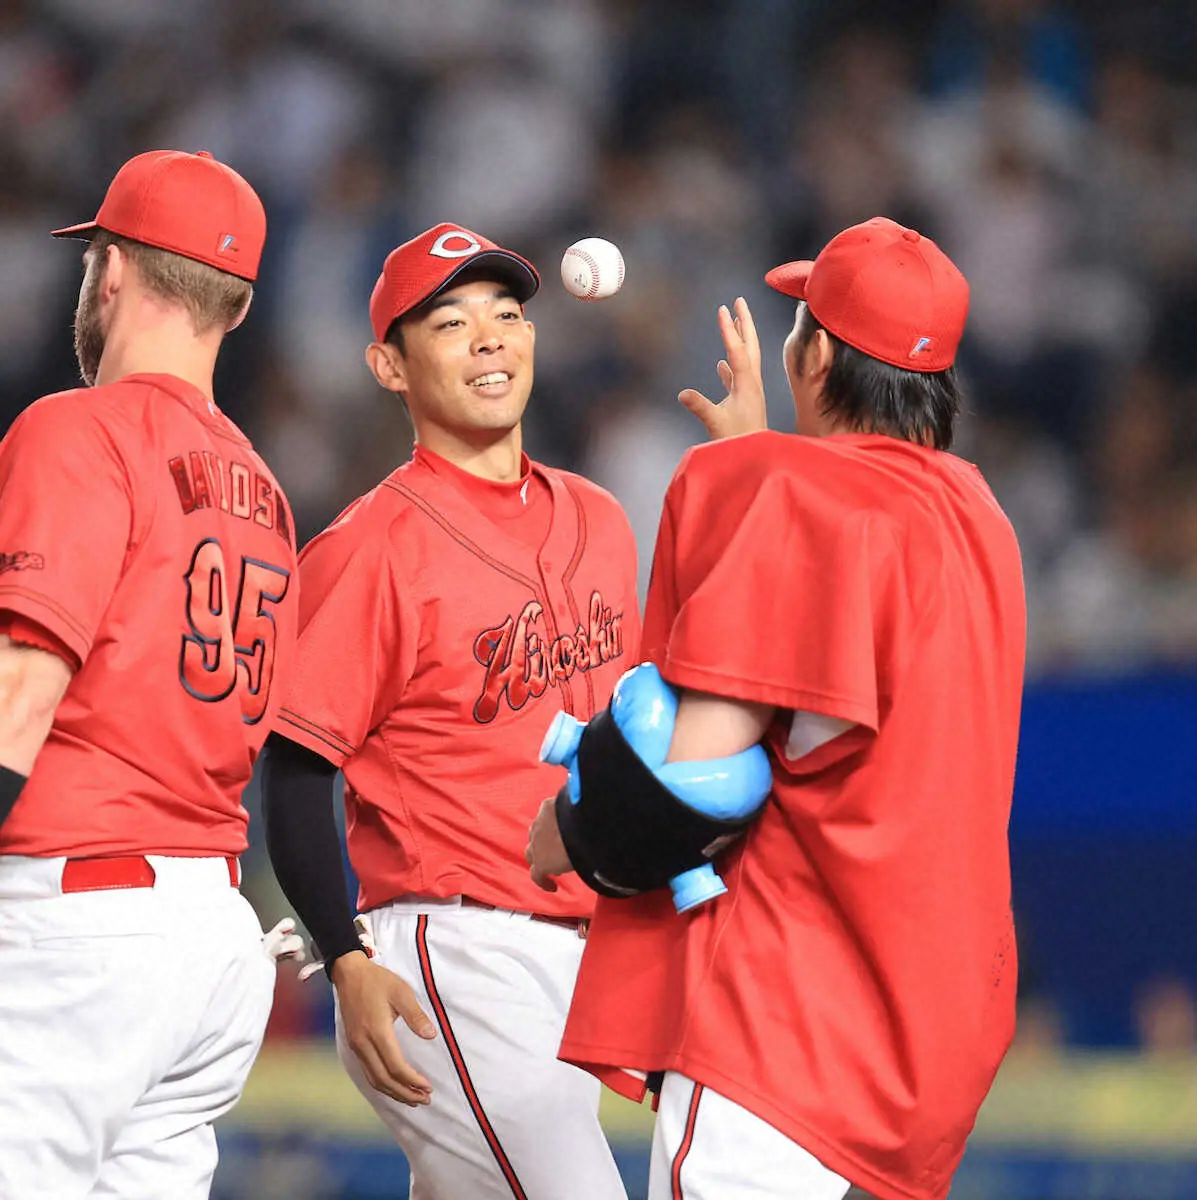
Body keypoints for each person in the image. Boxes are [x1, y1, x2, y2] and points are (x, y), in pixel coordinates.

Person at [528, 216, 1026, 1200]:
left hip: (789, 1022)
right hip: (927, 1035)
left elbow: (687, 773)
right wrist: (758, 469)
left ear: (819, 357)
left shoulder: (801, 502)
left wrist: (570, 833)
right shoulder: (982, 520)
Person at [262, 223, 638, 1200]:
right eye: (450, 322)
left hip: (584, 953)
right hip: (455, 955)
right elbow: (296, 769)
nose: (489, 338)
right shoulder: (372, 545)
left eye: (506, 314)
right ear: (389, 366)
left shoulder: (599, 518)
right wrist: (343, 957)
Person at [0, 149, 300, 1198]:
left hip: (78, 918)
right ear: (237, 306)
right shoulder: (266, 491)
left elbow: (23, 690)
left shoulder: (77, 428)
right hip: (211, 936)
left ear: (114, 269)